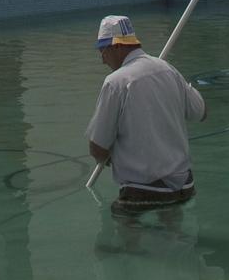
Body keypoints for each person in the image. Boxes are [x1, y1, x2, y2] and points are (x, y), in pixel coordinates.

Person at [86, 14, 206, 212]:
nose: (102, 59)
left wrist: (109, 158)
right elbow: (201, 112)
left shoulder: (115, 83)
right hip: (185, 185)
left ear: (116, 46)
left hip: (143, 191)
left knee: (123, 235)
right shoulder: (169, 70)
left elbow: (97, 148)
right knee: (173, 234)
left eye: (102, 51)